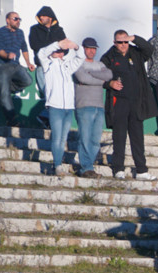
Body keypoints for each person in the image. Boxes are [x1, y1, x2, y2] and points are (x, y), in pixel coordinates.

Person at [101, 30, 154, 180]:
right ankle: (118, 168)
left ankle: (141, 170)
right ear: (114, 43)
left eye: (126, 41)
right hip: (119, 102)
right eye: (120, 42)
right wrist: (109, 83)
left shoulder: (135, 53)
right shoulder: (108, 57)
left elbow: (149, 49)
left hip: (136, 102)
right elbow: (98, 75)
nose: (123, 45)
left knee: (137, 138)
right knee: (119, 137)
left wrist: (134, 38)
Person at [37, 37, 78, 175]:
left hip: (68, 107)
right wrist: (57, 44)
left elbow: (80, 58)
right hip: (55, 106)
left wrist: (76, 47)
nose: (60, 54)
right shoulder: (48, 64)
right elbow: (41, 53)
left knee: (63, 138)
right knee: (57, 137)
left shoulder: (67, 66)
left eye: (62, 52)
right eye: (58, 51)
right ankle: (57, 165)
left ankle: (58, 164)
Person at [71, 37, 109, 177]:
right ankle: (86, 167)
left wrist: (91, 76)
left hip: (99, 106)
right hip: (84, 105)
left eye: (94, 49)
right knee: (85, 138)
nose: (92, 51)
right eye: (89, 48)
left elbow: (109, 75)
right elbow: (83, 78)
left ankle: (89, 167)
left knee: (95, 140)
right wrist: (100, 80)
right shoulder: (78, 63)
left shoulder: (100, 64)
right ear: (84, 49)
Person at [0, 12, 34, 125]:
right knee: (4, 94)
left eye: (19, 19)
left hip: (16, 65)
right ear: (7, 20)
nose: (18, 21)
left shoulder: (20, 32)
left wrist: (28, 63)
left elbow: (24, 48)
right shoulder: (0, 32)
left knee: (28, 80)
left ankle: (6, 87)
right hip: (2, 65)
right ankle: (12, 120)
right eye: (15, 19)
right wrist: (6, 55)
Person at [28, 6, 63, 119]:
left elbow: (65, 45)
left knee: (56, 92)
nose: (41, 18)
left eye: (43, 16)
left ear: (50, 17)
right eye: (40, 16)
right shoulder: (34, 29)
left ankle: (46, 116)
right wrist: (52, 52)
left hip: (56, 67)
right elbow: (34, 45)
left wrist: (61, 53)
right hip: (41, 66)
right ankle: (46, 116)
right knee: (47, 91)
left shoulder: (59, 30)